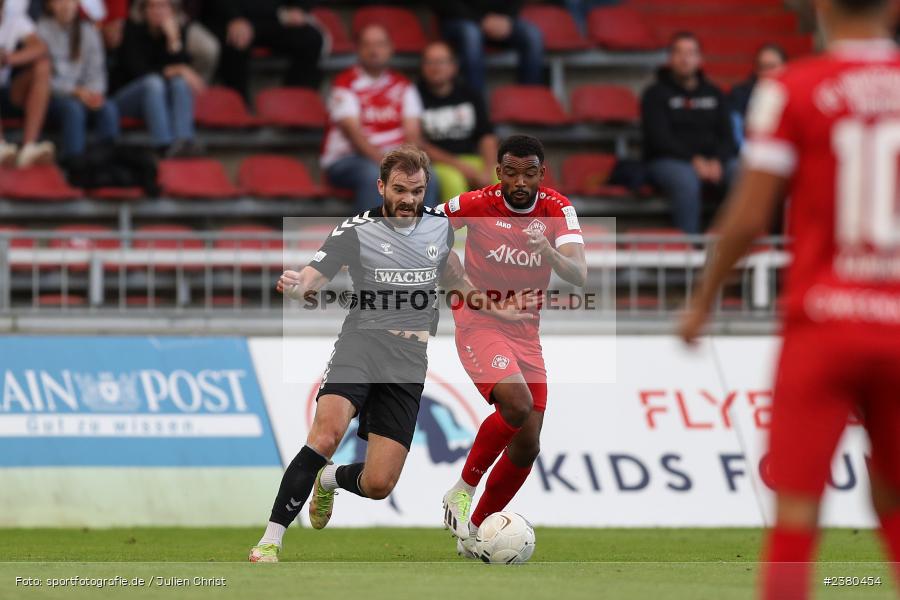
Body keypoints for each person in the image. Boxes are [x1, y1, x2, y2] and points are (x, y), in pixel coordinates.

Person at [679, 1, 900, 598]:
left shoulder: (792, 88)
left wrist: (703, 299)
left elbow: (750, 216)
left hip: (822, 325)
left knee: (798, 516)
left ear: (822, 5)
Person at [248, 146, 459, 563]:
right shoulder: (356, 230)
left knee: (379, 484)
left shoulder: (441, 228)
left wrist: (492, 304)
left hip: (409, 359)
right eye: (399, 189)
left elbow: (453, 274)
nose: (408, 200)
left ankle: (328, 481)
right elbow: (312, 277)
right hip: (362, 343)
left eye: (417, 191)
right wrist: (298, 284)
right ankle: (270, 539)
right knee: (326, 435)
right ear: (381, 186)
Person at [440, 135, 587, 558]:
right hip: (479, 319)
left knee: (528, 442)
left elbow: (578, 272)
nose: (520, 181)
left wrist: (550, 253)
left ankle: (472, 534)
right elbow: (427, 230)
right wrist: (451, 270)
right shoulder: (476, 203)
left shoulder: (557, 209)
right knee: (517, 404)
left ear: (542, 174)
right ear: (499, 172)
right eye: (512, 172)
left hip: (526, 331)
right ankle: (461, 490)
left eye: (529, 173)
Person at [321, 24, 439, 213]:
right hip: (348, 160)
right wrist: (390, 168)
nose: (374, 50)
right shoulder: (345, 84)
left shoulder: (403, 85)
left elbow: (412, 135)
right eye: (367, 45)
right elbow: (355, 136)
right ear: (358, 49)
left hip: (394, 161)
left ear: (390, 48)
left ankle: (420, 239)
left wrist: (404, 166)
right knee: (373, 176)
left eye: (380, 44)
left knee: (427, 176)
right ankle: (368, 239)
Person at [641, 31, 737, 234]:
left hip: (712, 161)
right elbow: (659, 139)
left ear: (699, 59)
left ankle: (733, 244)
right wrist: (694, 160)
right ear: (670, 58)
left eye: (691, 53)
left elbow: (728, 137)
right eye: (679, 52)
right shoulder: (655, 94)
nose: (685, 58)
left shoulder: (715, 93)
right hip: (668, 160)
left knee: (740, 172)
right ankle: (688, 252)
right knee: (686, 180)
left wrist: (717, 160)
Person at [112, 0, 202, 156]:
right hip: (127, 98)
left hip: (158, 101)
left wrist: (173, 41)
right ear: (143, 10)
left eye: (162, 6)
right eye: (151, 6)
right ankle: (164, 146)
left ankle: (184, 141)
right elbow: (139, 71)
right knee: (153, 83)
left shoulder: (176, 31)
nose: (157, 11)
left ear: (172, 10)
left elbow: (183, 70)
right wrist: (178, 69)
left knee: (179, 83)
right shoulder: (131, 30)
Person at [416, 41, 498, 202]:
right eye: (430, 62)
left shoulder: (470, 94)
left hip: (470, 159)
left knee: (502, 177)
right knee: (454, 181)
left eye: (441, 62)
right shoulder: (415, 97)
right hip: (435, 164)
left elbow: (486, 136)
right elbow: (419, 143)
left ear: (454, 66)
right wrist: (460, 167)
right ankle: (456, 228)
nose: (435, 67)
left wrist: (488, 169)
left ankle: (502, 228)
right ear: (423, 67)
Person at [38, 0, 119, 159]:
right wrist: (74, 91)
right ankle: (74, 162)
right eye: (60, 2)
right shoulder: (41, 30)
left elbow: (97, 73)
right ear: (50, 5)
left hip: (85, 95)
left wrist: (92, 94)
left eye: (71, 1)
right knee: (73, 109)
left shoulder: (88, 31)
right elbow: (44, 79)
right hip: (54, 98)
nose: (66, 5)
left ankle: (108, 162)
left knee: (108, 108)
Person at [202, 0, 323, 101]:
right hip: (230, 18)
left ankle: (294, 103)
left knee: (311, 38)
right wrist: (234, 17)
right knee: (236, 41)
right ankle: (239, 105)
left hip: (275, 17)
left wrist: (299, 8)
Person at [435, 1, 544, 95]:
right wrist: (480, 20)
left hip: (501, 19)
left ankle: (530, 102)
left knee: (532, 34)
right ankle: (476, 101)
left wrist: (507, 18)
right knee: (471, 34)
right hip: (459, 19)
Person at [0, 0, 54, 167]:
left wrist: (8, 59)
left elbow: (41, 48)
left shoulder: (14, 20)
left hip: (7, 92)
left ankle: (29, 147)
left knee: (42, 67)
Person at [729, 43, 787, 148]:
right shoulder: (740, 93)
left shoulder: (794, 95)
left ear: (785, 67)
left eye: (772, 66)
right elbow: (736, 130)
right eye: (762, 67)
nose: (767, 72)